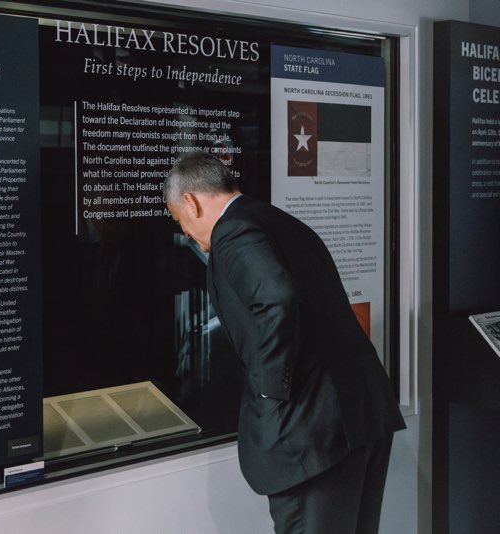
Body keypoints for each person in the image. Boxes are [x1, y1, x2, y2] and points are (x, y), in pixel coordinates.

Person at [164, 151, 405, 534]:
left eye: (180, 221)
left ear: (191, 202)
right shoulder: (280, 222)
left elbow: (277, 298)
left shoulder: (233, 233)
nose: (190, 237)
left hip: (313, 429)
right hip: (361, 413)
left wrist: (268, 390)